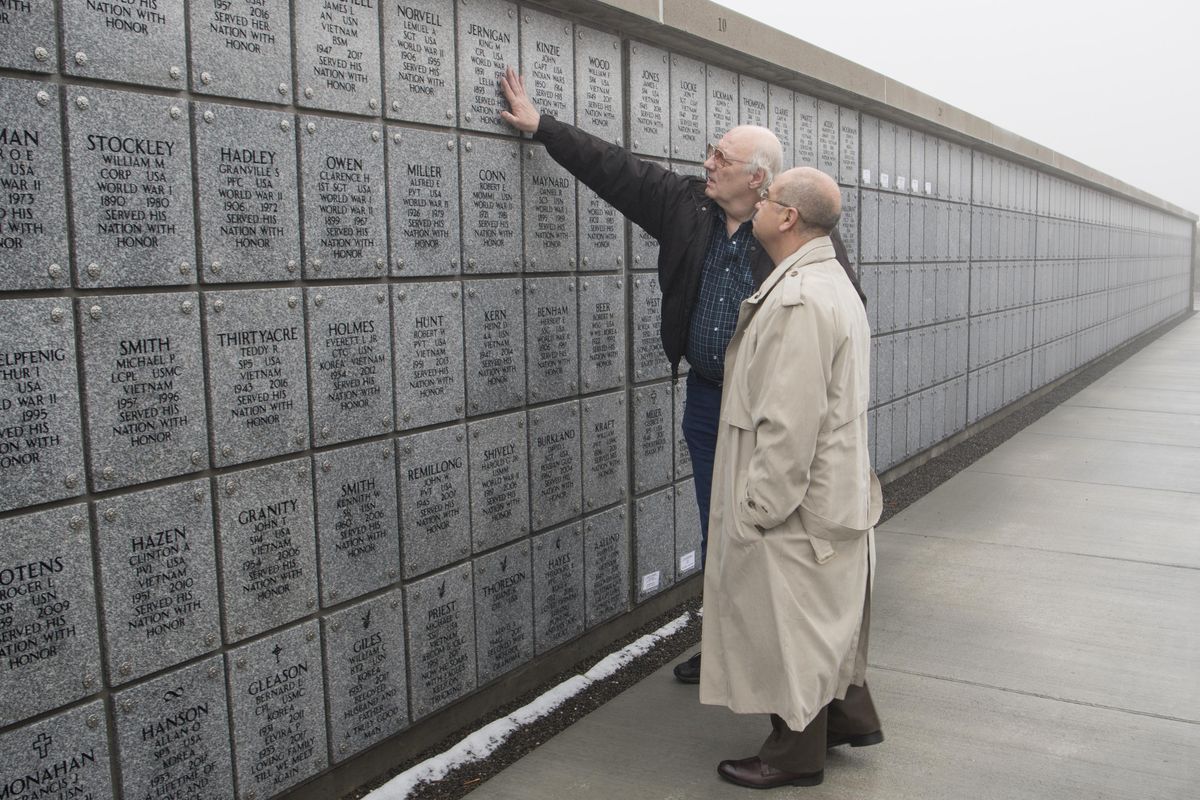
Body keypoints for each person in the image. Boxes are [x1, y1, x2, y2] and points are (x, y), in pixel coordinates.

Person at [499, 68, 864, 685]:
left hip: (769, 410)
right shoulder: (687, 206)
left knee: (772, 534)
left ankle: (786, 661)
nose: (709, 161)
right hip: (706, 400)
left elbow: (836, 321)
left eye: (723, 155)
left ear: (760, 180)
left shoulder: (793, 236)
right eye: (712, 151)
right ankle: (725, 644)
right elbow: (617, 170)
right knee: (718, 527)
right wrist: (543, 128)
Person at [699, 167, 883, 789]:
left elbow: (790, 421)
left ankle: (793, 753)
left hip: (797, 503)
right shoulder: (824, 282)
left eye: (768, 198)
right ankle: (848, 717)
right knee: (823, 617)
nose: (756, 203)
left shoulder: (801, 299)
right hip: (831, 493)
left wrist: (758, 509)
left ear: (787, 219)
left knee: (792, 623)